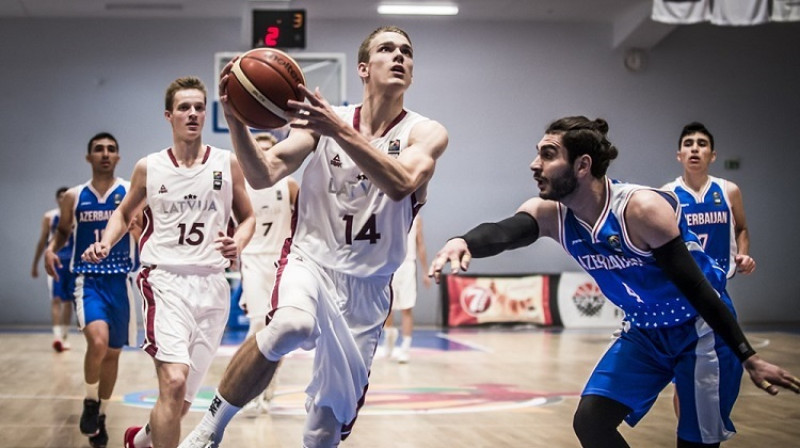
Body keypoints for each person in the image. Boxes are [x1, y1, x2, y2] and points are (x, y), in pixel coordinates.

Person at [428, 116, 800, 448]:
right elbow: (507, 231)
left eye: (547, 154)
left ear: (582, 165)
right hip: (645, 333)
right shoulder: (554, 213)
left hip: (700, 329)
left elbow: (697, 287)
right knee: (590, 421)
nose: (534, 164)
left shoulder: (640, 209)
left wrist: (747, 355)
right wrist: (463, 241)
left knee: (694, 441)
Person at [179, 25, 448, 448]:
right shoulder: (326, 121)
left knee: (324, 429)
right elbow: (263, 173)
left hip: (368, 287)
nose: (399, 56)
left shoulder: (424, 132)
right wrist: (236, 123)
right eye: (387, 49)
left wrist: (339, 131)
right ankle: (207, 430)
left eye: (407, 52)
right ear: (363, 67)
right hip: (311, 259)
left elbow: (401, 183)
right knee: (290, 324)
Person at [80, 76, 254, 448]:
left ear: (205, 113)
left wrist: (236, 242)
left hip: (212, 286)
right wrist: (106, 244)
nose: (192, 114)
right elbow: (123, 212)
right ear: (168, 116)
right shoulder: (150, 167)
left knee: (182, 402)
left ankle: (138, 441)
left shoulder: (227, 163)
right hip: (165, 281)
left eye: (198, 107)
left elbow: (248, 217)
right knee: (173, 382)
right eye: (184, 108)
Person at [44, 132, 137, 448]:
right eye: (99, 149)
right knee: (97, 342)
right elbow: (63, 231)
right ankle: (88, 400)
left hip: (121, 280)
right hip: (87, 279)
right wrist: (51, 250)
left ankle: (101, 416)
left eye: (111, 149)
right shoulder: (74, 195)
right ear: (89, 157)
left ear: (118, 157)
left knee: (112, 353)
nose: (105, 154)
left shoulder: (128, 191)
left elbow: (140, 228)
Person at [662, 121, 756, 418]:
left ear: (712, 155)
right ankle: (688, 432)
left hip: (717, 292)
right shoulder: (667, 194)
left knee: (727, 370)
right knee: (685, 375)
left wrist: (743, 255)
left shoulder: (729, 190)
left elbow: (741, 228)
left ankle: (710, 429)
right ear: (679, 154)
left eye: (701, 144)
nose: (694, 148)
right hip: (683, 297)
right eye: (688, 143)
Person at [239, 131, 298, 415]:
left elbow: (307, 218)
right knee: (257, 327)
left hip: (281, 262)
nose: (263, 154)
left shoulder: (289, 184)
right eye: (258, 150)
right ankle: (250, 386)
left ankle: (268, 385)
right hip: (252, 260)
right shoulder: (241, 185)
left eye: (268, 150)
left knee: (279, 330)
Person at [380, 214, 430, 363]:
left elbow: (420, 243)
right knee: (387, 307)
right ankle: (389, 336)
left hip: (408, 264)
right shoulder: (387, 213)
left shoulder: (416, 217)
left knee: (406, 307)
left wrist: (425, 271)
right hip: (389, 264)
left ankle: (405, 348)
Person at [32, 186, 76, 352]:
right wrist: (35, 264)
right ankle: (57, 336)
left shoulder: (77, 215)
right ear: (57, 199)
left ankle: (64, 336)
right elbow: (42, 240)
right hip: (55, 262)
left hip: (72, 263)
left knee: (68, 301)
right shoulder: (49, 217)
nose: (63, 200)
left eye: (66, 197)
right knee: (56, 299)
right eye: (61, 197)